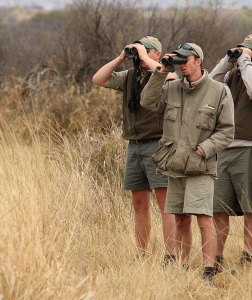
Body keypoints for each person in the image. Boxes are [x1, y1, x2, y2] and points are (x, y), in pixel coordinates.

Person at [141, 43, 234, 282]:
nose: (181, 65)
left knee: (204, 219)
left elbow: (226, 131)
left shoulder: (219, 91)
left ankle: (208, 272)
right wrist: (161, 70)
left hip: (201, 167)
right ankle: (182, 269)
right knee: (181, 219)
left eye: (185, 60)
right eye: (178, 60)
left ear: (198, 61)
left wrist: (205, 149)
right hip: (175, 166)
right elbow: (147, 101)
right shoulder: (171, 87)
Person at [92, 36, 176, 263]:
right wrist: (121, 56)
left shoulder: (162, 73)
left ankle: (171, 255)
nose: (140, 55)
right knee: (139, 203)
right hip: (134, 145)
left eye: (148, 51)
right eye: (139, 51)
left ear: (157, 54)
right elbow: (98, 79)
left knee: (165, 203)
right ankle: (141, 254)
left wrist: (144, 57)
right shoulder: (130, 76)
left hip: (157, 143)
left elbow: (170, 76)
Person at [209, 34, 252, 271]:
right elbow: (212, 83)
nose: (242, 54)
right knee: (218, 208)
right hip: (224, 147)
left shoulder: (247, 72)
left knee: (250, 208)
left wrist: (246, 63)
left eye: (247, 50)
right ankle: (216, 259)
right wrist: (228, 59)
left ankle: (248, 258)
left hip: (249, 147)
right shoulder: (232, 73)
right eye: (241, 50)